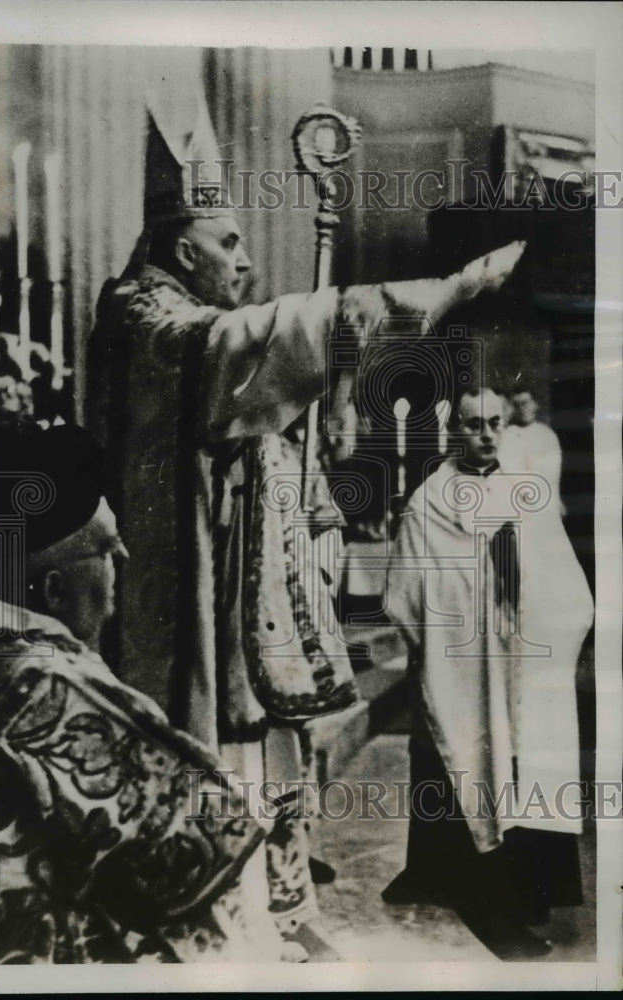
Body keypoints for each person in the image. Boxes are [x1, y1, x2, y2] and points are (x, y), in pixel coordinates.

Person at [87, 112, 527, 956]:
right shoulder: (144, 316)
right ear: (184, 252)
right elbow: (237, 352)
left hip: (243, 580)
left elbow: (255, 389)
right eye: (229, 242)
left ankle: (280, 902)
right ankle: (214, 912)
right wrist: (437, 293)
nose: (245, 260)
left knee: (269, 731)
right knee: (212, 735)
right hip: (187, 589)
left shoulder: (185, 313)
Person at [0, 423, 287, 964]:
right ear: (55, 590)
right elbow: (197, 858)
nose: (123, 567)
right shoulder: (52, 688)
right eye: (109, 550)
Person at [380, 385, 594, 960]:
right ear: (455, 432)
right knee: (468, 756)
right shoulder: (432, 500)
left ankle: (529, 895)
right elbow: (405, 595)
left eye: (495, 422)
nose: (487, 433)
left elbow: (558, 574)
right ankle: (475, 894)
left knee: (524, 765)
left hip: (524, 655)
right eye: (474, 424)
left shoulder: (527, 491)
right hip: (467, 660)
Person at [498, 384, 564, 510]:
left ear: (535, 404)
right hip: (521, 501)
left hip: (548, 498)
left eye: (525, 403)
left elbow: (553, 472)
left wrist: (555, 498)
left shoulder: (547, 434)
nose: (522, 409)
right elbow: (511, 470)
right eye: (516, 405)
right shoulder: (508, 435)